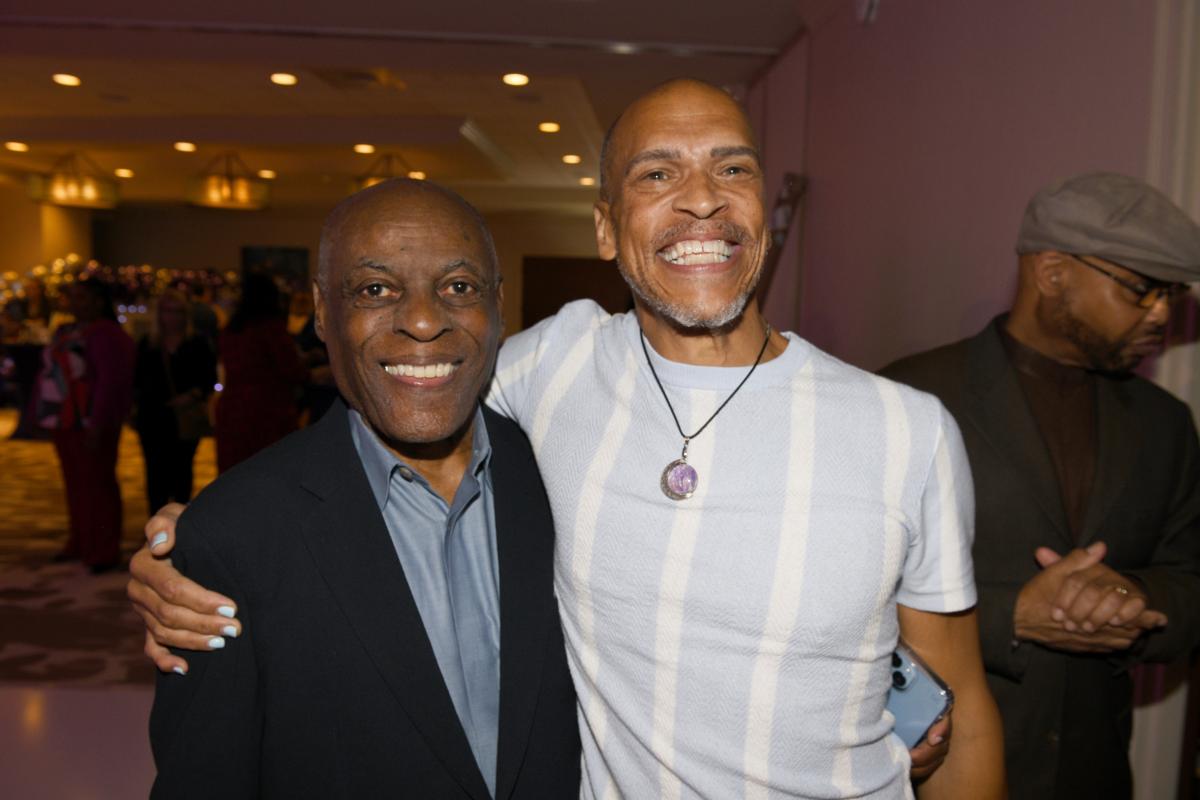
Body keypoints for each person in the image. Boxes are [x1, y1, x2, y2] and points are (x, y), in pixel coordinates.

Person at [129, 80, 1004, 798]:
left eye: (731, 167)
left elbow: (958, 710)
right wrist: (190, 547)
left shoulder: (906, 429)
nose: (702, 198)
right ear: (605, 228)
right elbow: (403, 390)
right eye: (658, 174)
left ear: (762, 210)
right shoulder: (553, 366)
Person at [146, 180, 581, 797]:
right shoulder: (235, 535)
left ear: (498, 306)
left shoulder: (562, 477)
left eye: (459, 287)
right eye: (376, 290)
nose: (424, 321)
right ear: (323, 312)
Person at [881, 172, 1200, 799]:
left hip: (1095, 775)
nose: (1162, 313)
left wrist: (1130, 598)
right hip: (938, 773)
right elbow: (842, 597)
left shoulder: (1165, 424)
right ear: (1053, 273)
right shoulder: (909, 399)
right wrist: (1011, 617)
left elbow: (1190, 579)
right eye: (1142, 289)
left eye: (1171, 294)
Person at [36, 278, 135, 573]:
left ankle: (103, 549)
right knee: (75, 483)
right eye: (73, 297)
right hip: (65, 420)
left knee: (98, 484)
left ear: (98, 301)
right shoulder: (66, 330)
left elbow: (110, 382)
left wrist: (98, 421)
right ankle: (80, 541)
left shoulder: (107, 334)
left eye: (82, 297)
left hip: (92, 420)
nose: (75, 303)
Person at [133, 288, 217, 513]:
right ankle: (156, 522)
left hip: (185, 418)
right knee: (155, 475)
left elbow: (209, 378)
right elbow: (138, 380)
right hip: (153, 418)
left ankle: (178, 521)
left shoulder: (197, 343)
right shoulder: (148, 344)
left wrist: (192, 395)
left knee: (183, 472)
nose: (172, 317)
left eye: (178, 311)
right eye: (167, 311)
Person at [214, 272, 308, 472]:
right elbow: (291, 370)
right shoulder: (270, 327)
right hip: (266, 411)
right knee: (270, 473)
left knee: (236, 476)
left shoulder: (232, 328)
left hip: (233, 409)